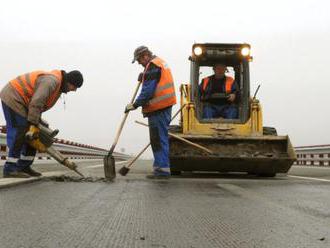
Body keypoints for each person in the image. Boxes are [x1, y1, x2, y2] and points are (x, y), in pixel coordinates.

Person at [0, 70, 83, 178]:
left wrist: (37, 122)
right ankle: (10, 169)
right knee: (20, 130)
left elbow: (38, 103)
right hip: (14, 97)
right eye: (75, 87)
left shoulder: (58, 87)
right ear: (69, 82)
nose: (74, 90)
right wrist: (33, 122)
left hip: (24, 103)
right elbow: (37, 101)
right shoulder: (51, 81)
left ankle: (24, 166)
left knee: (34, 135)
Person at [125, 46, 176, 179]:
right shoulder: (158, 63)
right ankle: (160, 167)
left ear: (145, 56)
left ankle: (162, 170)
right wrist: (144, 76)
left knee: (158, 139)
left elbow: (148, 91)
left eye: (139, 60)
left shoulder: (153, 66)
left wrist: (135, 104)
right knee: (159, 138)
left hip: (158, 107)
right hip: (163, 106)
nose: (139, 63)